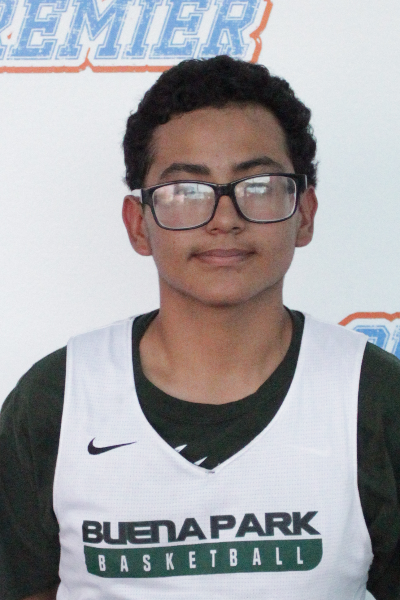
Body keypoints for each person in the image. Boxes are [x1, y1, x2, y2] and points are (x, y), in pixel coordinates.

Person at [0, 56, 399, 600]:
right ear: (139, 225)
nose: (224, 219)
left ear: (304, 213)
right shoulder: (58, 400)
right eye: (186, 191)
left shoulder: (374, 398)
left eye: (258, 185)